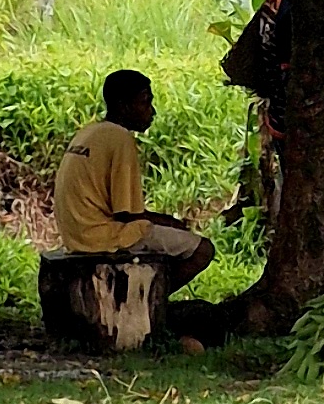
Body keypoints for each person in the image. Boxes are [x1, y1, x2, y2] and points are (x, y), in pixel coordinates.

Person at [52, 68, 216, 321]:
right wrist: (171, 222)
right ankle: (142, 306)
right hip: (102, 235)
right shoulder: (120, 138)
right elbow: (127, 214)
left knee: (168, 236)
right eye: (145, 102)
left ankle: (136, 300)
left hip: (76, 234)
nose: (151, 111)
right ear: (123, 105)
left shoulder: (90, 132)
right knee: (202, 249)